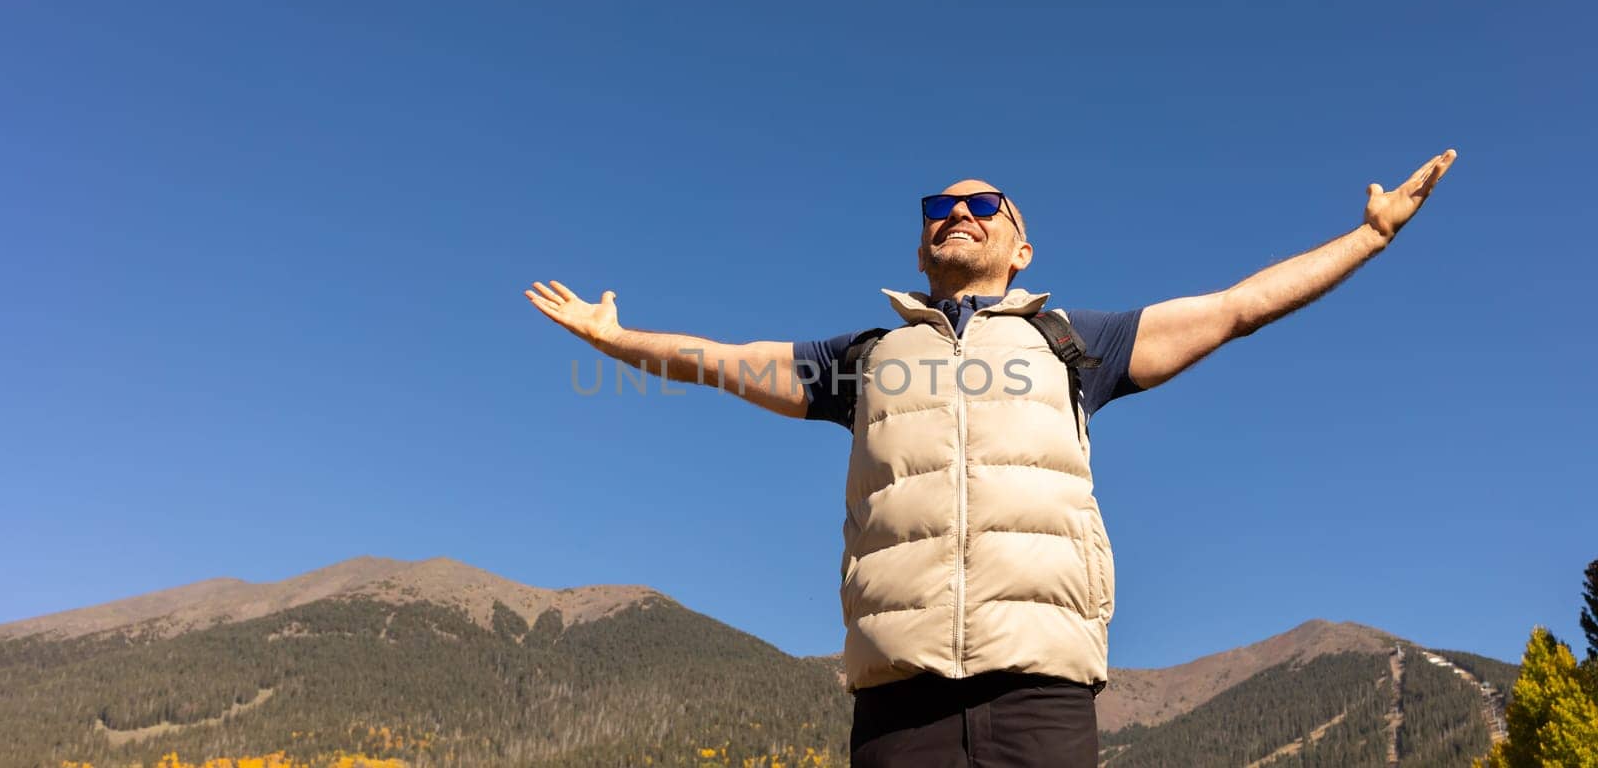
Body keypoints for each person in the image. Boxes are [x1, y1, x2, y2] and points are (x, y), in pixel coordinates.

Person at [525, 149, 1457, 767]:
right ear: (923, 244)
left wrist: (1368, 238)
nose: (958, 214)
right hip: (899, 704)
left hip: (1041, 697)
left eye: (983, 205)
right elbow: (724, 362)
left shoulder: (1072, 343)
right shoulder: (864, 359)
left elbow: (1235, 307)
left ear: (1020, 244)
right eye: (940, 207)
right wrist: (620, 341)